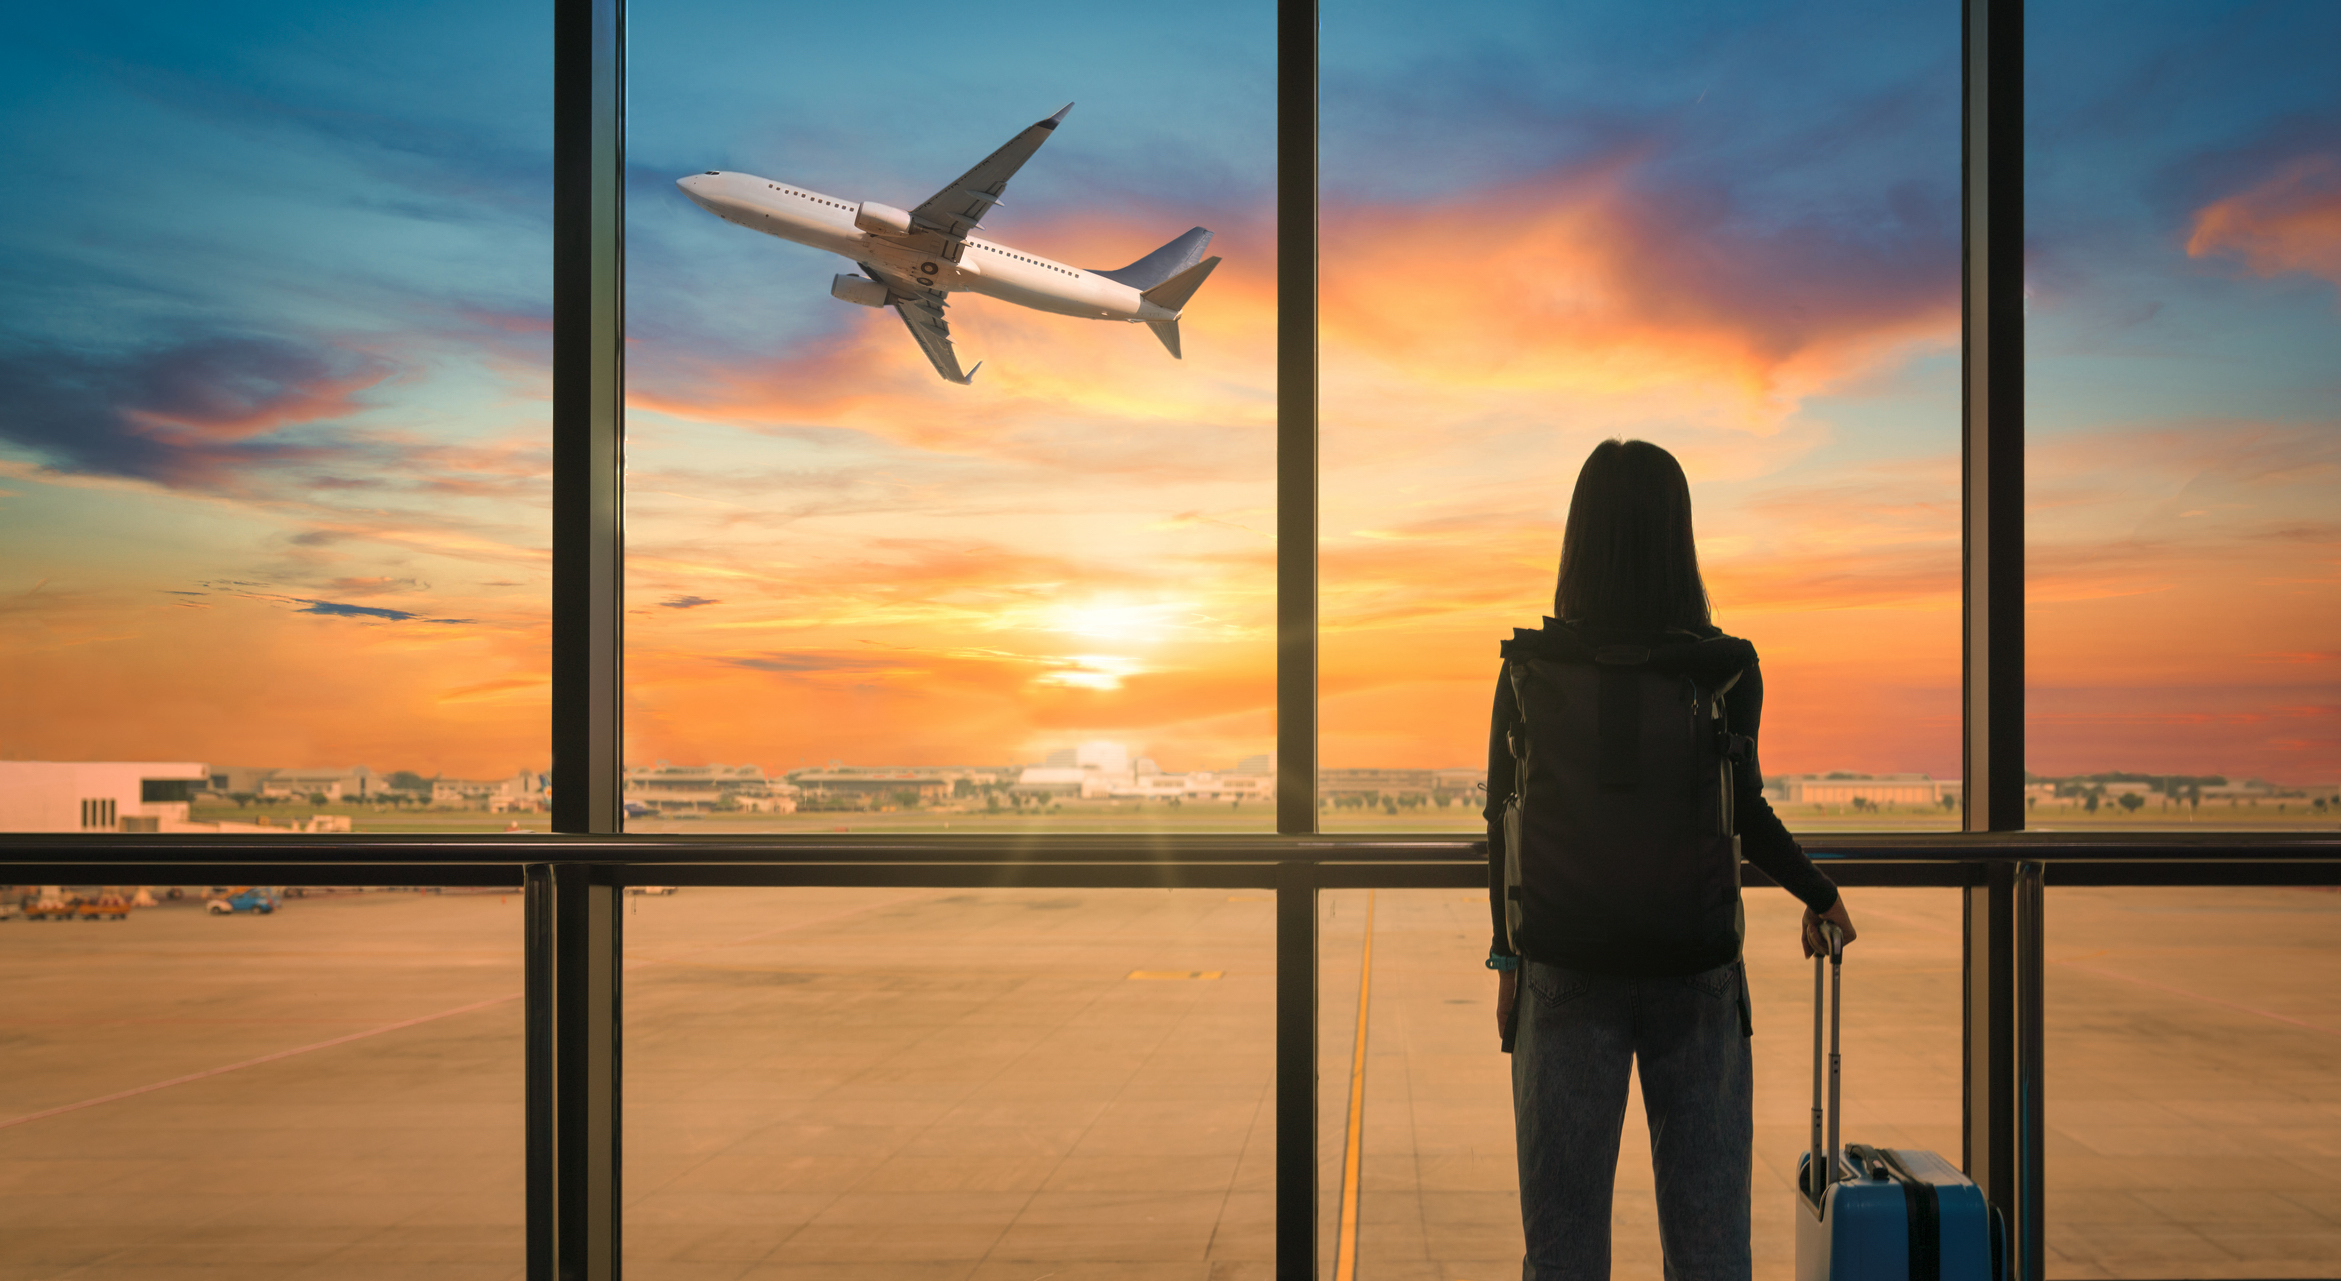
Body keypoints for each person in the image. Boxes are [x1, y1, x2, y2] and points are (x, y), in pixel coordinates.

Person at [1485, 439, 1856, 1281]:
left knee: (1563, 1243)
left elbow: (1497, 818)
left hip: (1563, 965)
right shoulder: (1724, 668)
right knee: (1708, 1239)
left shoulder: (1528, 669)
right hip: (1695, 971)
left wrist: (1507, 955)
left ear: (1578, 538)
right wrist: (1818, 890)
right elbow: (1747, 814)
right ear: (1677, 536)